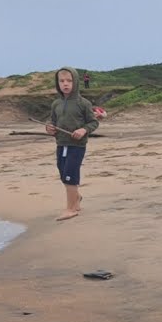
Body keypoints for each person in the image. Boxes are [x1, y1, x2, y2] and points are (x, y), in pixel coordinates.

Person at [45, 66, 99, 221]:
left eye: (69, 80)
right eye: (61, 81)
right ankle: (76, 198)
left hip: (77, 145)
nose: (65, 84)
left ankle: (71, 209)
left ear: (75, 82)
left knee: (70, 175)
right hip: (61, 144)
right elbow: (53, 122)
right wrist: (49, 128)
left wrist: (83, 130)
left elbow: (93, 123)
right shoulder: (56, 104)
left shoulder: (84, 103)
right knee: (63, 174)